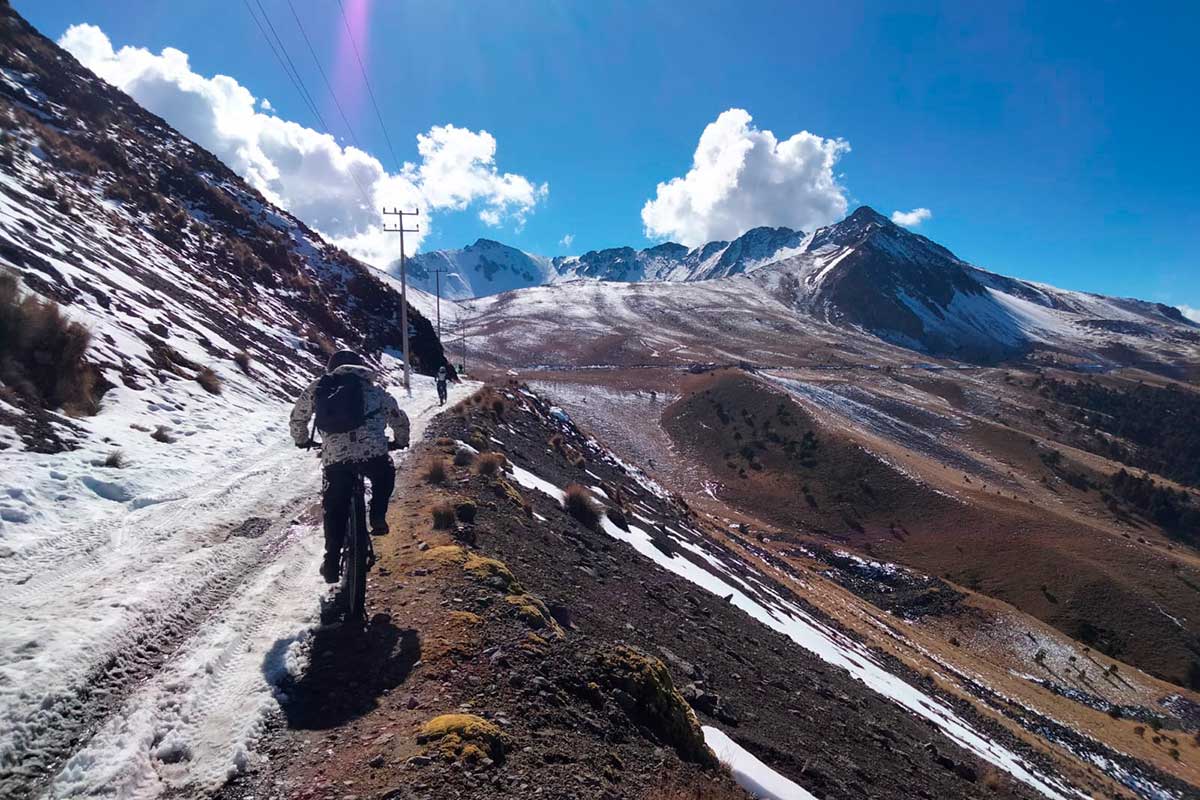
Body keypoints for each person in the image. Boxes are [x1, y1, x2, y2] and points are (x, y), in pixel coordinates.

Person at [290, 349, 410, 583]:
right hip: (373, 455)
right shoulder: (375, 390)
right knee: (385, 473)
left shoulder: (320, 387)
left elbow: (298, 417)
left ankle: (332, 561)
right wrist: (400, 441)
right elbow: (398, 417)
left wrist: (302, 439)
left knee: (334, 509)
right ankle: (377, 515)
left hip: (336, 460)